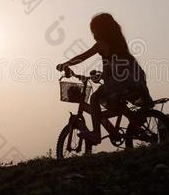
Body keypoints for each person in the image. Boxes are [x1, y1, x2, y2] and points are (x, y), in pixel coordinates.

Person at [56, 13, 152, 144]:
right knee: (116, 102)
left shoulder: (101, 44)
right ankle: (135, 120)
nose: (93, 34)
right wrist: (102, 75)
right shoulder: (119, 42)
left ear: (99, 30)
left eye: (93, 30)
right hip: (135, 76)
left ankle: (96, 134)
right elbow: (117, 65)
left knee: (94, 98)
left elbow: (83, 56)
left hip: (122, 80)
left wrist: (65, 64)